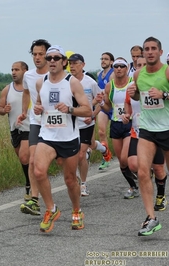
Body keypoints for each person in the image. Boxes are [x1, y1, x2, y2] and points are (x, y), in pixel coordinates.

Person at [33, 45, 92, 232]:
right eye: (48, 58)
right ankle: (51, 209)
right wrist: (38, 109)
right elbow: (39, 104)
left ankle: (77, 211)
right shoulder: (40, 82)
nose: (51, 61)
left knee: (69, 180)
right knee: (39, 171)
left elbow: (87, 109)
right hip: (47, 135)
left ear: (63, 62)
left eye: (55, 58)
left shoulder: (72, 82)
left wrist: (70, 109)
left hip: (68, 137)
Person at [128, 36, 169, 236]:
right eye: (147, 49)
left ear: (160, 52)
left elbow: (162, 96)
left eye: (154, 48)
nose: (150, 52)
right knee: (143, 172)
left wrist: (164, 95)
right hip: (147, 129)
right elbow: (138, 97)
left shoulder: (167, 71)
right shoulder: (138, 74)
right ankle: (151, 218)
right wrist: (134, 92)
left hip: (167, 128)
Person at [124, 56, 167, 213]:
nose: (140, 67)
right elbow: (128, 105)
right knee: (138, 168)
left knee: (159, 169)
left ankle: (161, 195)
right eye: (138, 65)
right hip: (142, 131)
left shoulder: (162, 76)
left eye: (143, 64)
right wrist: (126, 115)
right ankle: (150, 216)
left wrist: (163, 95)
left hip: (163, 129)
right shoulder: (133, 84)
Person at [17, 39, 51, 216]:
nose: (37, 57)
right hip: (36, 122)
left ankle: (73, 179)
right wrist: (24, 112)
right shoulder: (29, 76)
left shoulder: (56, 75)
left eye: (41, 54)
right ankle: (35, 199)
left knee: (61, 161)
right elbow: (27, 93)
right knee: (32, 159)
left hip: (54, 124)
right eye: (35, 54)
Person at [100, 57, 137, 199]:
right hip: (116, 124)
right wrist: (101, 103)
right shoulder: (110, 86)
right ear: (113, 68)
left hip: (130, 123)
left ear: (127, 68)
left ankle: (141, 176)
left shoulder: (132, 83)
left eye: (122, 66)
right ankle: (133, 186)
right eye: (116, 66)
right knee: (121, 162)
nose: (119, 69)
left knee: (125, 157)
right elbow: (108, 107)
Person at [68, 53, 104, 196]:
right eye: (70, 63)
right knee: (72, 156)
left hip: (86, 124)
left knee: (81, 155)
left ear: (83, 65)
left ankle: (83, 184)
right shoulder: (65, 82)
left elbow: (101, 103)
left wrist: (92, 115)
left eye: (75, 63)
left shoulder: (91, 83)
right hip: (70, 125)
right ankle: (74, 177)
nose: (72, 66)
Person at [0, 61, 30, 200]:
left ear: (25, 71)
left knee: (24, 157)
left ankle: (30, 186)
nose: (13, 72)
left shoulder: (32, 88)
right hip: (14, 129)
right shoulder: (7, 89)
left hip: (29, 127)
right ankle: (34, 178)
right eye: (12, 69)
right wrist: (3, 110)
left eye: (17, 69)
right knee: (23, 160)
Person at [96, 52, 115, 170]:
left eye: (106, 59)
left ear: (111, 62)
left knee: (117, 135)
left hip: (114, 106)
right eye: (102, 59)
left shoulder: (112, 74)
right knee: (101, 132)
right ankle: (106, 157)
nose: (103, 61)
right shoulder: (98, 74)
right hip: (103, 106)